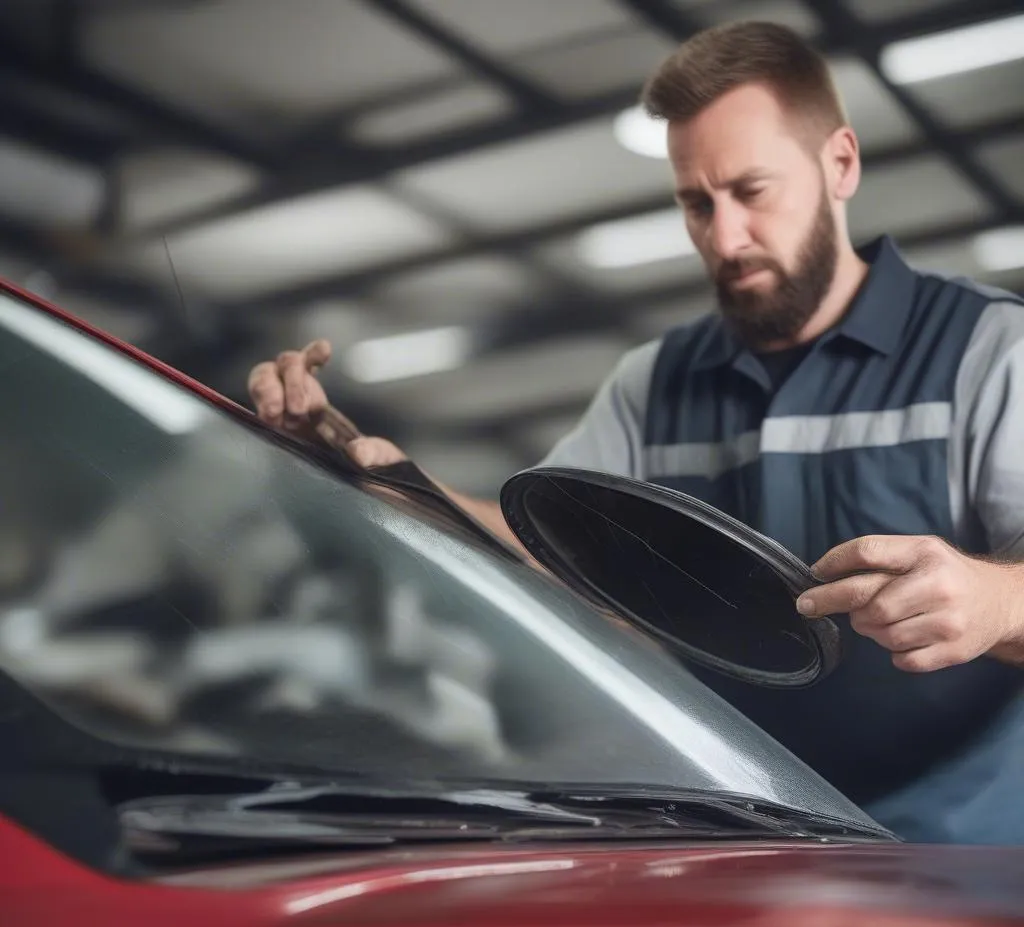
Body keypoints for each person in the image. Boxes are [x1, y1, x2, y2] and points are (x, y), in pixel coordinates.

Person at [248, 21, 1024, 844]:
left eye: (753, 191)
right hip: (745, 839)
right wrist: (378, 472)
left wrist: (992, 597)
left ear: (840, 163)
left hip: (971, 848)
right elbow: (542, 545)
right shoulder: (653, 382)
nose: (724, 239)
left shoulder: (988, 350)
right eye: (697, 202)